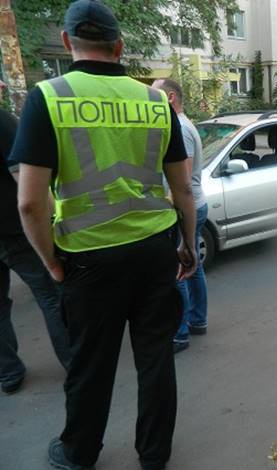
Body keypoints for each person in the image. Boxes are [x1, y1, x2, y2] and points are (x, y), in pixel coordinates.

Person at [9, 1, 197, 469]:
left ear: (70, 43)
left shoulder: (48, 97)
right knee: (156, 359)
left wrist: (51, 262)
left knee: (91, 364)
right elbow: (182, 188)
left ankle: (79, 453)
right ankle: (154, 456)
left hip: (89, 259)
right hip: (154, 250)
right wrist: (188, 246)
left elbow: (31, 202)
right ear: (119, 46)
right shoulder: (156, 101)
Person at [0, 84, 71, 395]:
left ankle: (8, 372)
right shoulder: (5, 122)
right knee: (51, 297)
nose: (3, 85)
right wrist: (52, 223)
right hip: (16, 233)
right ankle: (77, 366)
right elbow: (30, 193)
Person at [152, 78, 208, 354]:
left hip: (186, 206)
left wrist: (171, 208)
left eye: (155, 92)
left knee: (181, 270)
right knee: (193, 267)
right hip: (194, 204)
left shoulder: (181, 129)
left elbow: (182, 182)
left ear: (170, 97)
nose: (150, 97)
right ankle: (198, 321)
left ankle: (181, 333)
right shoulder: (183, 125)